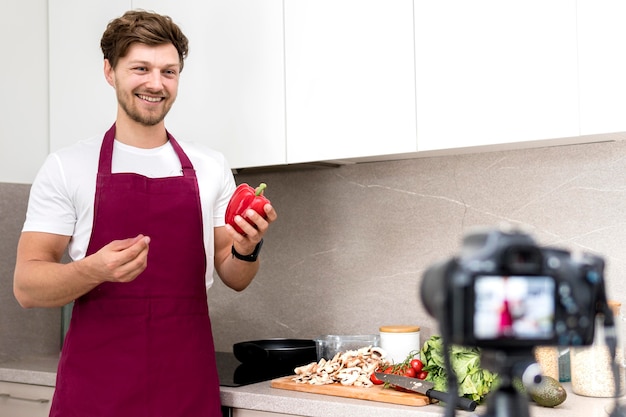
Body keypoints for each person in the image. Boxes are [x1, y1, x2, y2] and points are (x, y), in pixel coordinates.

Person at [13, 10, 277, 417]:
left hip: (187, 387)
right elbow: (26, 287)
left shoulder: (210, 166)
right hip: (96, 392)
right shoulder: (68, 166)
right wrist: (93, 270)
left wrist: (247, 248)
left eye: (169, 71)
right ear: (110, 71)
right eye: (141, 68)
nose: (156, 83)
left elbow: (234, 276)